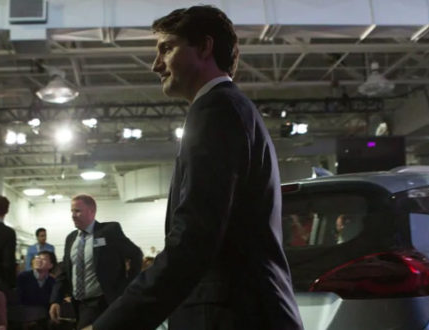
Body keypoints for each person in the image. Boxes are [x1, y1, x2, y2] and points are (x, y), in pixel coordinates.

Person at [89, 6, 303, 330]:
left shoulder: (216, 111)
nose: (155, 65)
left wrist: (111, 325)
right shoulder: (229, 109)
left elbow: (194, 240)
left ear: (204, 47)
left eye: (167, 49)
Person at [49, 194, 143, 329]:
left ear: (91, 212)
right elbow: (65, 272)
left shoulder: (109, 231)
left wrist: (127, 286)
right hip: (78, 305)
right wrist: (55, 300)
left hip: (101, 302)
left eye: (77, 211)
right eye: (72, 211)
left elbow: (136, 254)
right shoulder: (71, 238)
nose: (73, 215)